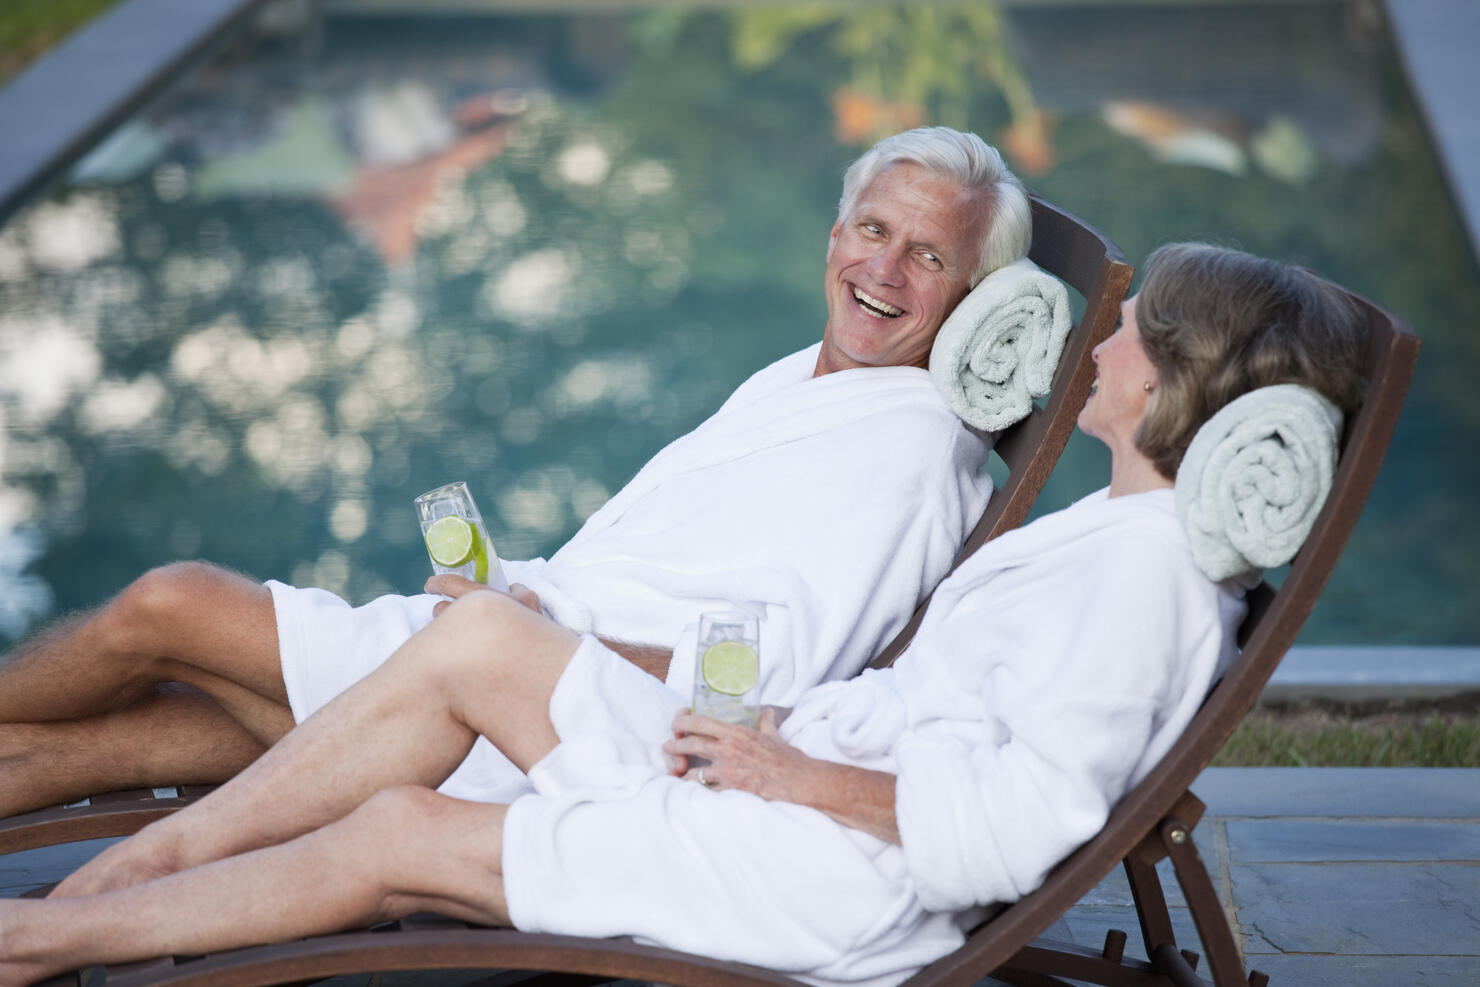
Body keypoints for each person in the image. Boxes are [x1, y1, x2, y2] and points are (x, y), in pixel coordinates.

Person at [0, 242, 1366, 986]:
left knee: (398, 826)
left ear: (1179, 378)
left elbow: (1021, 820)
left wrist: (791, 764)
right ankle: (120, 886)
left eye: (1129, 332)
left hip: (828, 861)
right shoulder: (1117, 533)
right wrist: (773, 733)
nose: (1100, 343)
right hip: (783, 767)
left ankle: (58, 927)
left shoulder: (1145, 577)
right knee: (476, 642)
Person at [0, 127, 1033, 816]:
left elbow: (765, 685)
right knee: (162, 729)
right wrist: (521, 598)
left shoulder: (908, 453)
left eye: (930, 258)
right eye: (872, 230)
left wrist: (538, 632)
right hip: (523, 645)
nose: (883, 273)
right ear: (835, 231)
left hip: (554, 721)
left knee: (168, 606)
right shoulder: (809, 381)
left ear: (974, 298)